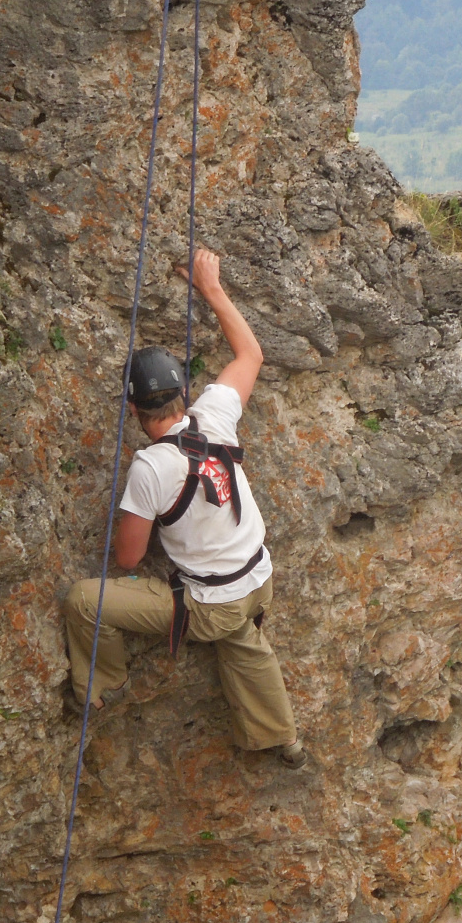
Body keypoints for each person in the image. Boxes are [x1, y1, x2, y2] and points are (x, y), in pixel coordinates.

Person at [62, 246, 306, 769]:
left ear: (133, 409)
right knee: (241, 638)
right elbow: (250, 356)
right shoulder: (213, 416)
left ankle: (104, 684)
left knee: (85, 600)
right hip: (259, 577)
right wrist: (210, 287)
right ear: (183, 393)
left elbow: (128, 560)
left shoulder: (151, 467)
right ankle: (281, 737)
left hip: (211, 605)